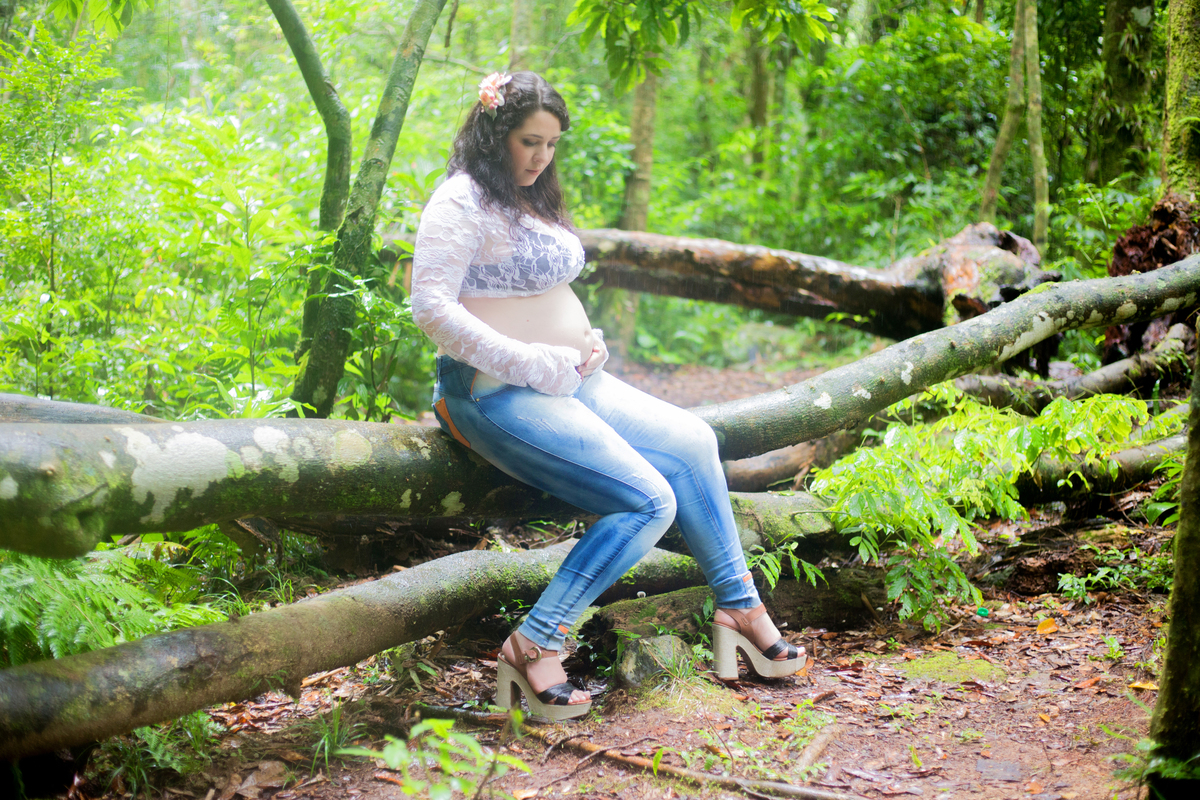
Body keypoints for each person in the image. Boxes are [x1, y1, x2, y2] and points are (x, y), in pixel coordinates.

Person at [410, 71, 805, 721]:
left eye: (551, 144)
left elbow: (542, 287)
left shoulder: (529, 196)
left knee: (694, 441)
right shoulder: (460, 201)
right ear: (493, 135)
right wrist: (532, 359)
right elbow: (431, 307)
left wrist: (585, 340)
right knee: (648, 500)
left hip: (572, 381)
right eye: (529, 142)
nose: (541, 157)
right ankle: (535, 643)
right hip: (492, 392)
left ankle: (740, 607)